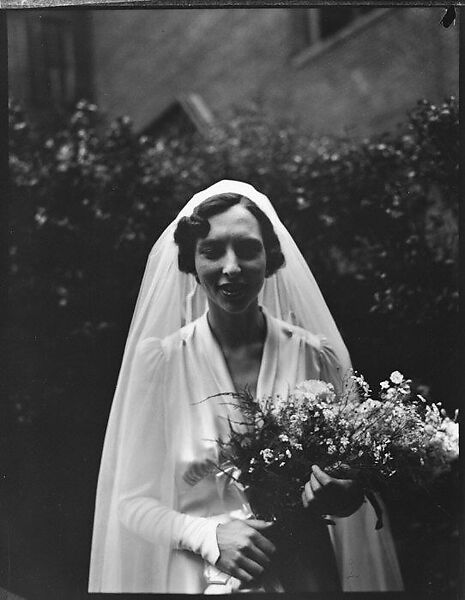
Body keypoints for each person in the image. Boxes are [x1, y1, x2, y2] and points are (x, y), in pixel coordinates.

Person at [89, 180, 403, 593]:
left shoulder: (316, 357)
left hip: (307, 580)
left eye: (248, 249)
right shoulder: (161, 363)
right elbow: (129, 503)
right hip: (198, 582)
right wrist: (207, 535)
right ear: (190, 262)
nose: (231, 267)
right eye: (212, 250)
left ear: (270, 259)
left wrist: (345, 492)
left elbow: (348, 482)